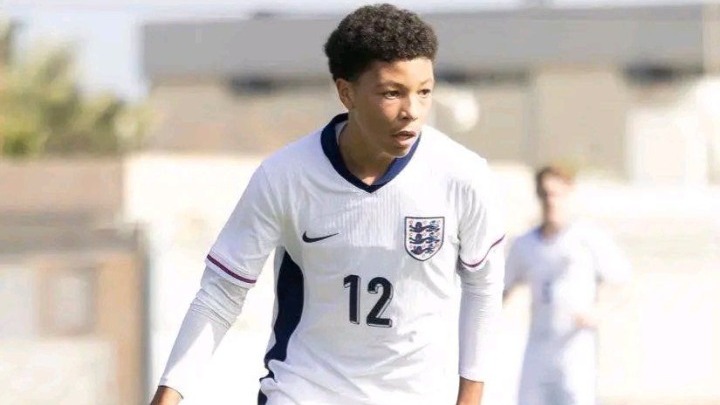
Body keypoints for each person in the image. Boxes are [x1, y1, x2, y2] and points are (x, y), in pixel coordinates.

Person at [150, 4, 506, 405]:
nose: (412, 111)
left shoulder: (463, 175)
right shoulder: (285, 176)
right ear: (346, 92)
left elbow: (483, 285)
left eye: (424, 91)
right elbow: (221, 294)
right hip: (304, 391)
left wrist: (470, 398)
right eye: (392, 93)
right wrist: (168, 395)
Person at [503, 165, 632, 405]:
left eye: (556, 194)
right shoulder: (524, 244)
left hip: (575, 347)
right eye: (545, 194)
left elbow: (621, 281)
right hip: (538, 347)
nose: (551, 201)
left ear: (569, 193)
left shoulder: (587, 237)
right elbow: (502, 289)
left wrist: (598, 310)